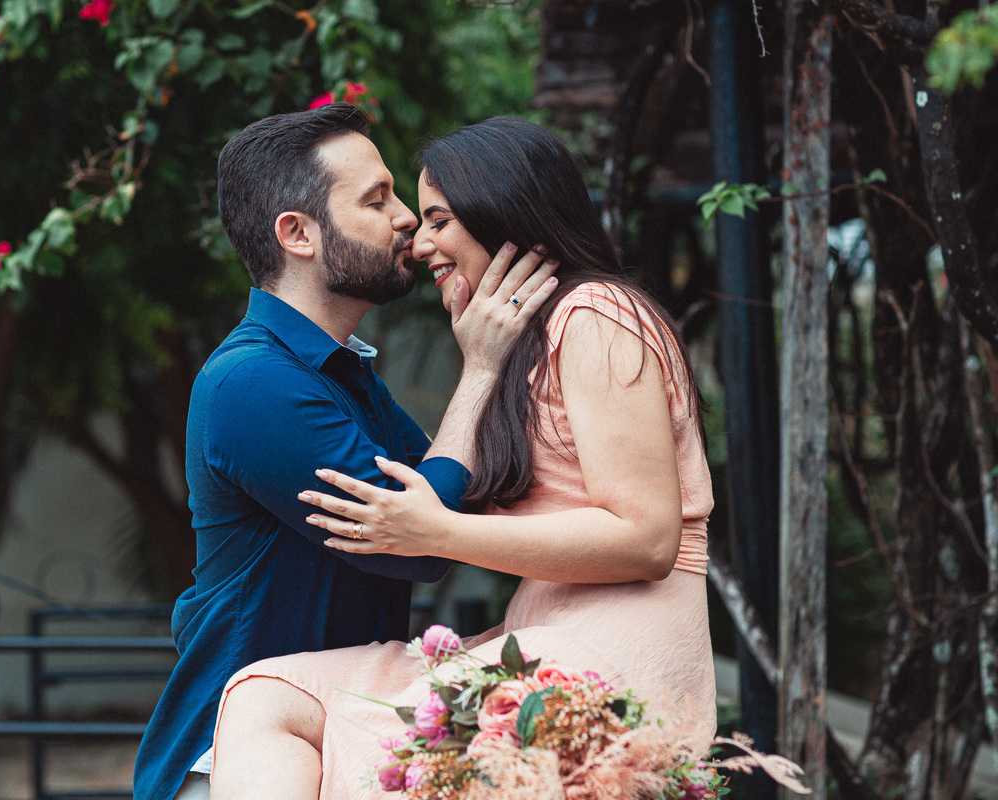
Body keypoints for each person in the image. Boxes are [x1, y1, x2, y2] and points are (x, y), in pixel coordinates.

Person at [208, 116, 716, 800]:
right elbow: (435, 501)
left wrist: (438, 529)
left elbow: (648, 538)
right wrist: (480, 366)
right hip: (543, 628)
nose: (415, 238)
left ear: (501, 214)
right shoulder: (515, 348)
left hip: (613, 637)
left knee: (395, 747)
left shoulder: (595, 313)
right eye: (386, 203)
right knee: (264, 693)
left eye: (437, 218)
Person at [133, 105, 558, 800]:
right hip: (233, 762)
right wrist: (480, 370)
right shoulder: (255, 383)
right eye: (376, 199)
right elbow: (417, 543)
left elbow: (465, 499)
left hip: (326, 743)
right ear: (297, 233)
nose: (406, 221)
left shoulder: (340, 374)